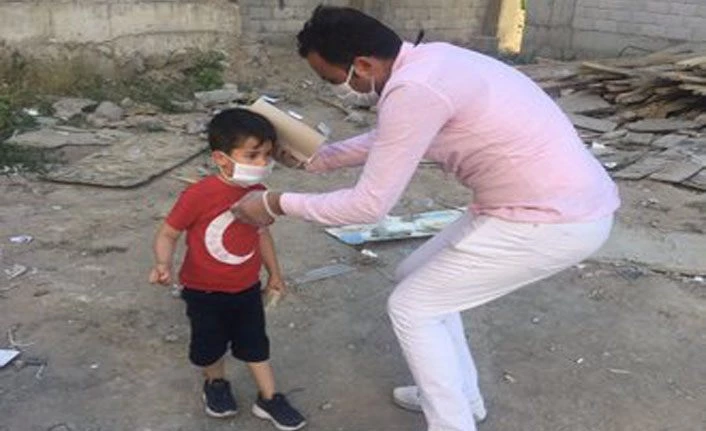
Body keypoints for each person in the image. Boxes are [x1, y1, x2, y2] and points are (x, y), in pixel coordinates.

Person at [232, 6, 620, 431]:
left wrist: (275, 203)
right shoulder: (431, 62)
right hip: (543, 206)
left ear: (363, 64)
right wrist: (318, 160)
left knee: (412, 308)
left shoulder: (415, 89)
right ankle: (461, 396)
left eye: (333, 80)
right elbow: (390, 137)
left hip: (550, 220)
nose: (339, 90)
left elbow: (367, 207)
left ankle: (452, 422)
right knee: (414, 278)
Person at [148, 108, 306, 431]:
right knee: (209, 346)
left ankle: (269, 397)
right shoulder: (199, 195)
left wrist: (275, 274)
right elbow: (168, 233)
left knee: (255, 344)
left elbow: (262, 235)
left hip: (246, 289)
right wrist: (163, 263)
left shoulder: (259, 194)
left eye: (267, 155)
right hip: (203, 292)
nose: (262, 163)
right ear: (221, 158)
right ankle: (216, 383)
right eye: (252, 155)